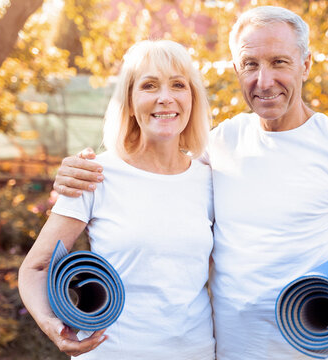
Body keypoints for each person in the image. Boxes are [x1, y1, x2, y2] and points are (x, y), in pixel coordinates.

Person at [53, 6, 328, 360]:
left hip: (311, 352)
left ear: (306, 64)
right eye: (251, 64)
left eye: (279, 62)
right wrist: (79, 173)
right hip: (223, 352)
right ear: (236, 69)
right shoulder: (220, 143)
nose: (264, 80)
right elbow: (151, 176)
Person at [18, 39, 215, 359]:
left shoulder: (208, 180)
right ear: (129, 100)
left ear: (192, 97)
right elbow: (36, 268)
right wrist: (51, 325)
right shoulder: (94, 174)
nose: (166, 98)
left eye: (178, 85)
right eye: (150, 85)